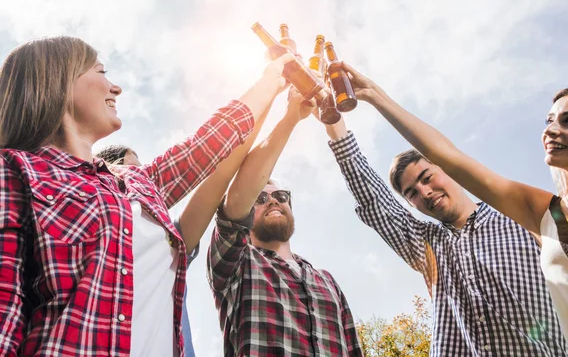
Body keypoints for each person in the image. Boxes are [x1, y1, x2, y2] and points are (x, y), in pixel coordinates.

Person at [0, 36, 293, 356]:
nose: (116, 88)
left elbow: (208, 144)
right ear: (58, 80)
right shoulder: (14, 172)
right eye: (100, 72)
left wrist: (273, 79)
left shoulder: (135, 183)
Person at [335, 62, 568, 357]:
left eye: (426, 178)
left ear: (447, 170)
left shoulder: (521, 218)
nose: (424, 192)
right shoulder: (426, 246)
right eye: (412, 194)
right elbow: (374, 201)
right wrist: (337, 122)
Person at [94, 103, 270, 356]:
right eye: (133, 170)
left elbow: (221, 173)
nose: (144, 180)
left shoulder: (171, 242)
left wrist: (273, 100)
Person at [207, 90, 363, 356]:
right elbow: (232, 209)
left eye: (280, 195)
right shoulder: (238, 265)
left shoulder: (327, 281)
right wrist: (292, 116)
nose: (273, 201)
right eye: (260, 197)